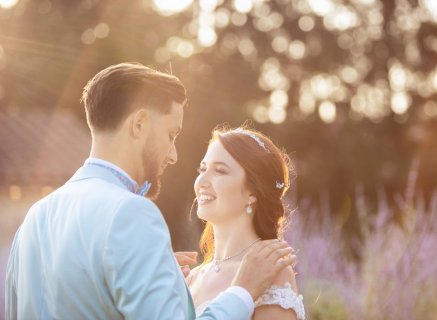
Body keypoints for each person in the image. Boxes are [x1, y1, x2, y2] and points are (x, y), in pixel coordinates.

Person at [5, 62, 296, 319]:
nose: (173, 156)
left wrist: (155, 275)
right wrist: (242, 292)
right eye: (171, 135)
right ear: (140, 124)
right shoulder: (129, 212)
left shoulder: (34, 218)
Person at [187, 126, 305, 320]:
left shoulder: (270, 273)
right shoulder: (192, 278)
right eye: (202, 169)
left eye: (220, 171)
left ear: (252, 192)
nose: (201, 181)